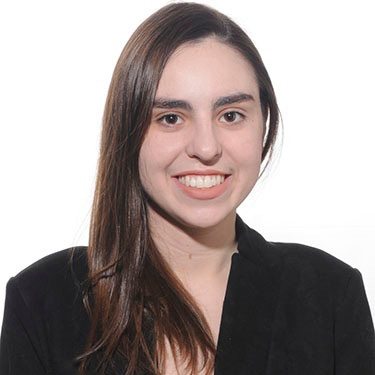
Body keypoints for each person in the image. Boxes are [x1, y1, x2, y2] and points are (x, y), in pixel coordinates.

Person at [0, 2, 374, 375]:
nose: (206, 147)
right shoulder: (41, 302)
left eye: (230, 115)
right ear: (126, 132)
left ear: (264, 123)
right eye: (171, 118)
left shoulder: (330, 296)